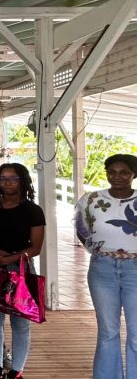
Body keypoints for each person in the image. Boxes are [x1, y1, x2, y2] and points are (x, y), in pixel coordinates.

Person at [74, 154, 137, 379]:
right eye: (112, 172)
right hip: (102, 270)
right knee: (108, 331)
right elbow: (81, 228)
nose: (117, 177)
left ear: (134, 174)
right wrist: (98, 251)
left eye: (124, 172)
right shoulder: (91, 200)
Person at [0, 163, 45, 379]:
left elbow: (35, 247)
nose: (7, 182)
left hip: (20, 268)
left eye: (13, 178)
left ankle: (17, 370)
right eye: (2, 178)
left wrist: (7, 259)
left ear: (22, 181)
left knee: (21, 321)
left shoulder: (33, 210)